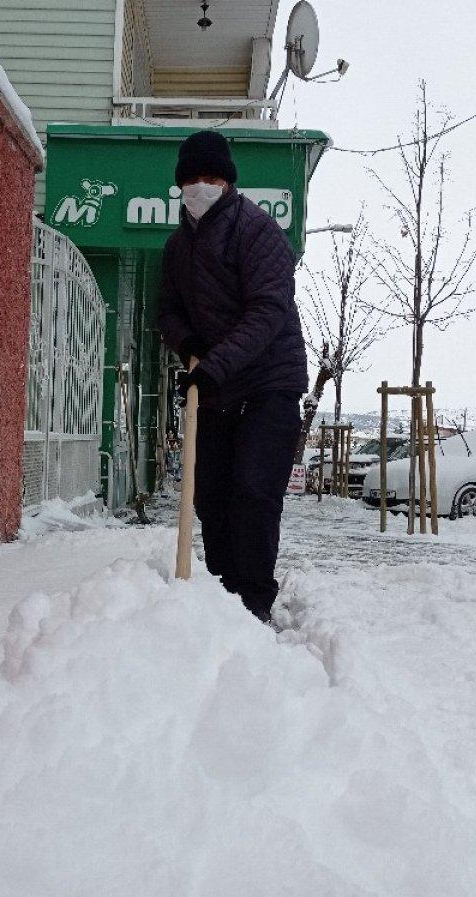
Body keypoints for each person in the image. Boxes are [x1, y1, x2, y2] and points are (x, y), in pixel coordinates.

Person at [157, 130, 307, 624]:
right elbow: (168, 311)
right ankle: (222, 594)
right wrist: (190, 346)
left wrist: (214, 365)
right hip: (218, 385)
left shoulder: (256, 231)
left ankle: (254, 600)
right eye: (192, 179)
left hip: (269, 382)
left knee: (253, 489)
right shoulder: (178, 247)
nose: (201, 187)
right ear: (180, 186)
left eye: (211, 178)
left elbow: (268, 311)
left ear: (227, 182)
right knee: (210, 493)